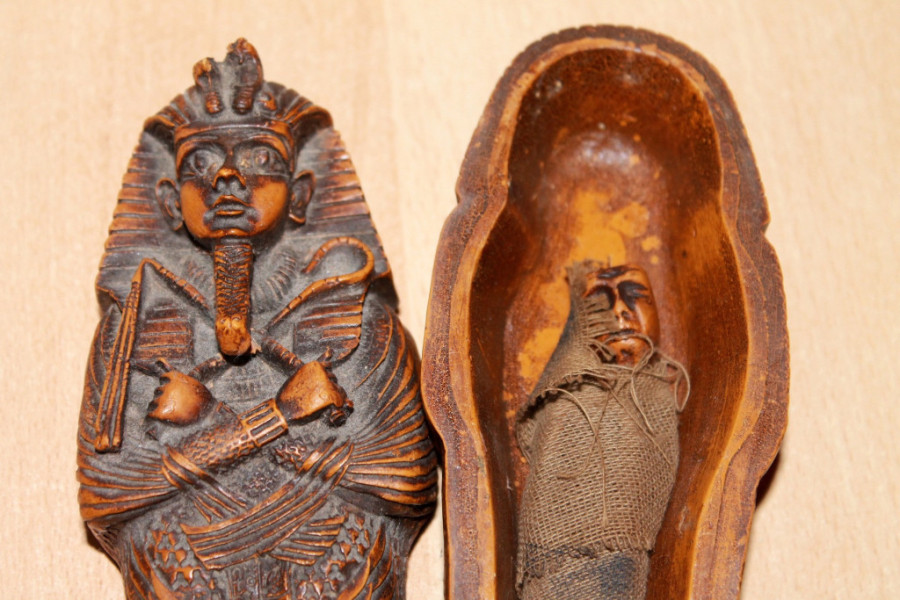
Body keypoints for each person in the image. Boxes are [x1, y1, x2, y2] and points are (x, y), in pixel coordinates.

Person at [78, 39, 436, 599]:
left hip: (332, 564)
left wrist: (212, 426)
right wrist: (280, 416)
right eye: (199, 164)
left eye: (260, 160)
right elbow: (108, 495)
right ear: (170, 201)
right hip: (188, 568)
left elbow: (405, 480)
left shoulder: (361, 320)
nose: (226, 176)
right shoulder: (128, 334)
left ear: (301, 194)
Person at [516, 262, 688, 600]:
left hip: (628, 559)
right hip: (560, 554)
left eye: (634, 297)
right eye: (601, 303)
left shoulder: (657, 395)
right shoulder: (569, 393)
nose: (621, 312)